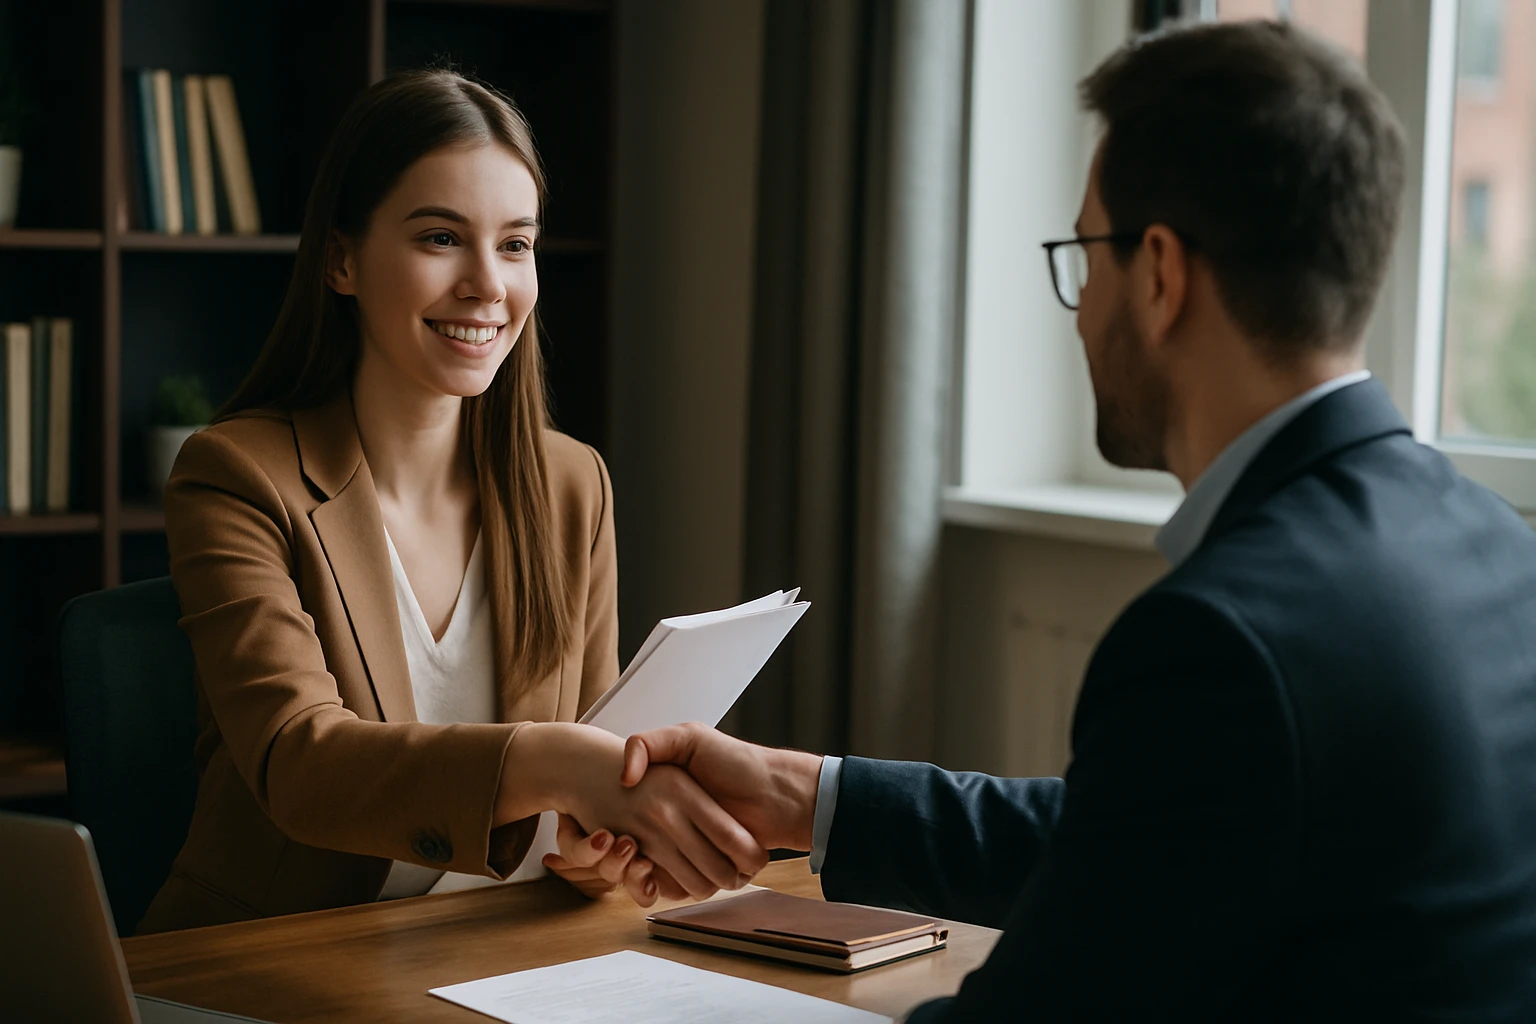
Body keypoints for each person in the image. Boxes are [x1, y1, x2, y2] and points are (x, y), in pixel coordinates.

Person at [565, 21, 1536, 1020]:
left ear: (1158, 274)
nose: (1079, 309)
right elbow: (1151, 844)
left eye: (1087, 254)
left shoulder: (1226, 636)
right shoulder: (1498, 546)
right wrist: (807, 795)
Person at [135, 70, 764, 934]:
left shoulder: (573, 485)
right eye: (441, 237)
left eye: (515, 244)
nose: (487, 284)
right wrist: (557, 762)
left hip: (486, 952)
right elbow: (301, 765)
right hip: (274, 955)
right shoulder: (235, 475)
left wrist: (593, 848)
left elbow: (577, 813)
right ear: (342, 260)